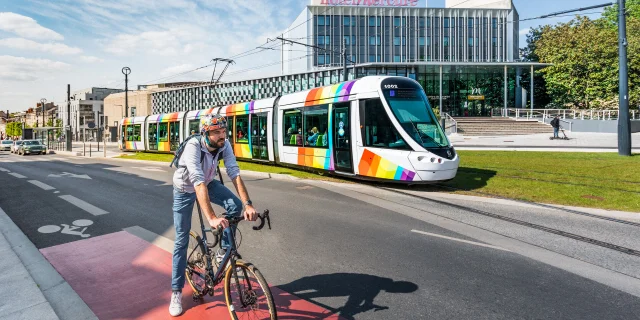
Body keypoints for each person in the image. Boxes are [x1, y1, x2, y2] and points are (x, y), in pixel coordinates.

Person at [169, 114, 258, 317]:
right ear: (205, 133)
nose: (222, 136)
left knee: (234, 206)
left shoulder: (224, 145)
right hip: (185, 188)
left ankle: (223, 251)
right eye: (217, 132)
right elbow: (197, 182)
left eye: (224, 131)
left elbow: (234, 173)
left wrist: (248, 204)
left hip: (207, 183)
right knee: (181, 239)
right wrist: (212, 218)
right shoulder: (193, 147)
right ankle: (176, 291)